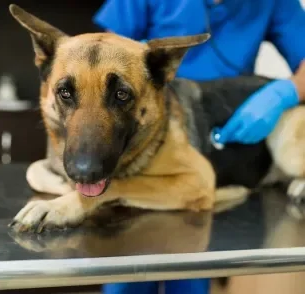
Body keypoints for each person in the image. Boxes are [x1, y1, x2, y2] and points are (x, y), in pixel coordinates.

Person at [92, 0, 305, 293]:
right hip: (149, 138)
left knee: (193, 274)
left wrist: (289, 90)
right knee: (127, 274)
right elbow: (99, 54)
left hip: (225, 147)